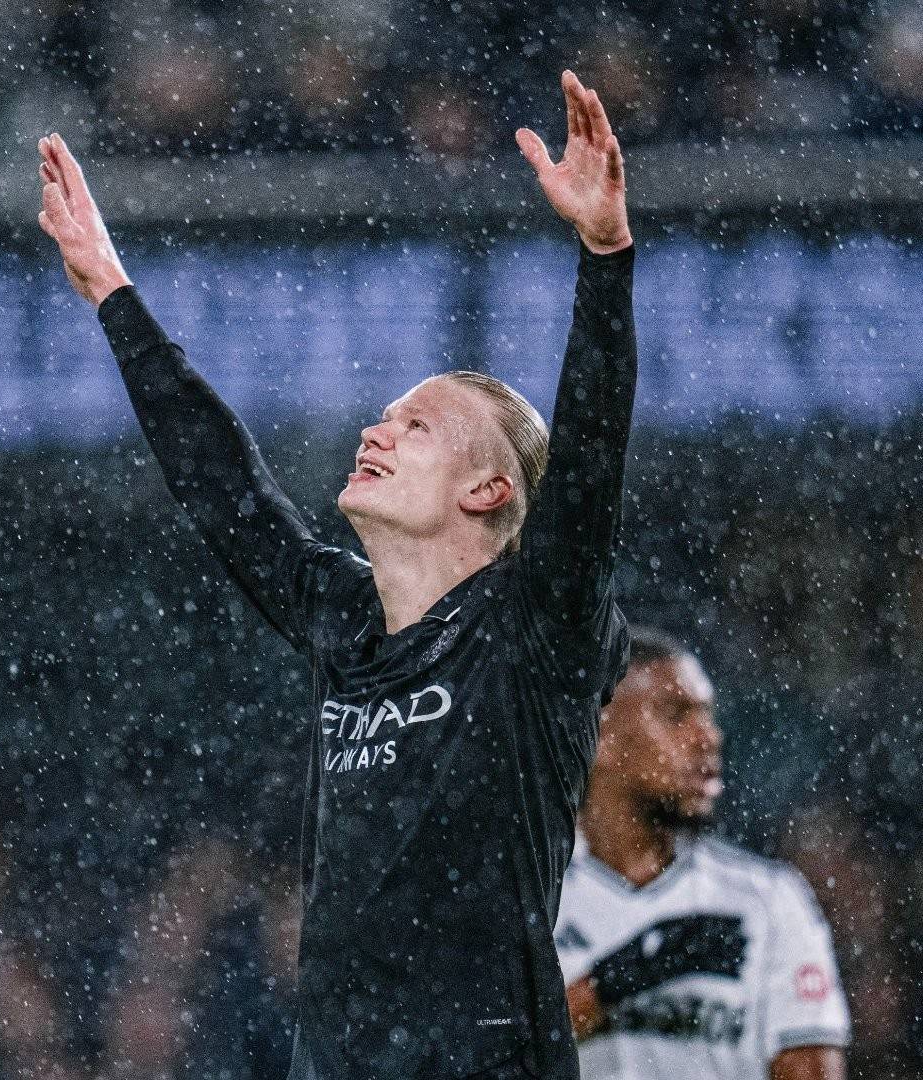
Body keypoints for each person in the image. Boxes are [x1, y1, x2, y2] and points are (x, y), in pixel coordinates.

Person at [36, 69, 637, 1080]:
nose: (377, 430)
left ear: (489, 490)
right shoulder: (345, 623)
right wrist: (111, 291)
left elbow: (587, 463)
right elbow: (225, 488)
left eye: (418, 425)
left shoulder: (532, 626)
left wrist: (605, 257)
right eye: (385, 417)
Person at [555, 626, 850, 1080]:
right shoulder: (532, 895)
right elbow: (481, 1055)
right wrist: (614, 980)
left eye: (707, 716)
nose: (708, 737)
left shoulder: (768, 899)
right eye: (676, 715)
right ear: (600, 735)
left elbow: (813, 1070)